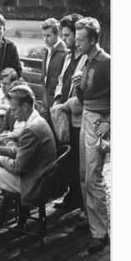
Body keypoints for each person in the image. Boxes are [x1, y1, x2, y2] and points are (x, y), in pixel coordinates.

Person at [0, 85, 57, 210]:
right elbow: (23, 152)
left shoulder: (31, 129)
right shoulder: (37, 120)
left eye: (14, 109)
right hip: (38, 175)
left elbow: (18, 167)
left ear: (25, 106)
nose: (11, 113)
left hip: (33, 183)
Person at [73, 17, 111, 253]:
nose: (77, 44)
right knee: (84, 173)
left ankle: (100, 233)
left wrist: (110, 122)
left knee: (94, 177)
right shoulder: (86, 59)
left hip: (98, 121)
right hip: (86, 115)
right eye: (76, 39)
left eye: (81, 40)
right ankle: (91, 219)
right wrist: (78, 85)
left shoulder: (107, 62)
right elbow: (82, 97)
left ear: (94, 39)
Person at [51, 13, 87, 212]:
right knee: (69, 159)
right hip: (63, 115)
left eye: (67, 35)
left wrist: (66, 105)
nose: (64, 39)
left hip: (78, 119)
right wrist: (58, 98)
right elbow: (60, 81)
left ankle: (80, 203)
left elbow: (84, 94)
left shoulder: (85, 58)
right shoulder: (68, 56)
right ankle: (71, 196)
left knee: (78, 162)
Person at [41, 17, 67, 111]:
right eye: (43, 35)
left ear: (57, 34)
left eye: (48, 35)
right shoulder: (47, 50)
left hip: (58, 105)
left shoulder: (65, 53)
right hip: (46, 103)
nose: (45, 39)